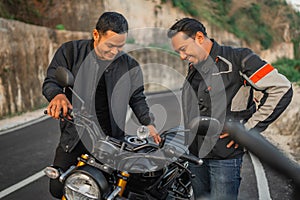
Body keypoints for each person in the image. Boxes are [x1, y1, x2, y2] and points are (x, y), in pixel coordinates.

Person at [167, 18, 293, 200]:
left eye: (183, 49)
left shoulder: (239, 58)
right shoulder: (195, 65)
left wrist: (248, 130)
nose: (181, 56)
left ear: (200, 37)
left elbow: (282, 88)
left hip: (224, 157)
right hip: (195, 155)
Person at [42, 11, 161, 199]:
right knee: (59, 189)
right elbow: (51, 81)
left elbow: (137, 97)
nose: (114, 52)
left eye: (120, 47)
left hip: (110, 142)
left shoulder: (130, 65)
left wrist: (148, 123)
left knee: (106, 192)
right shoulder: (71, 52)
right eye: (110, 45)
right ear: (96, 35)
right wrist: (57, 96)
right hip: (74, 137)